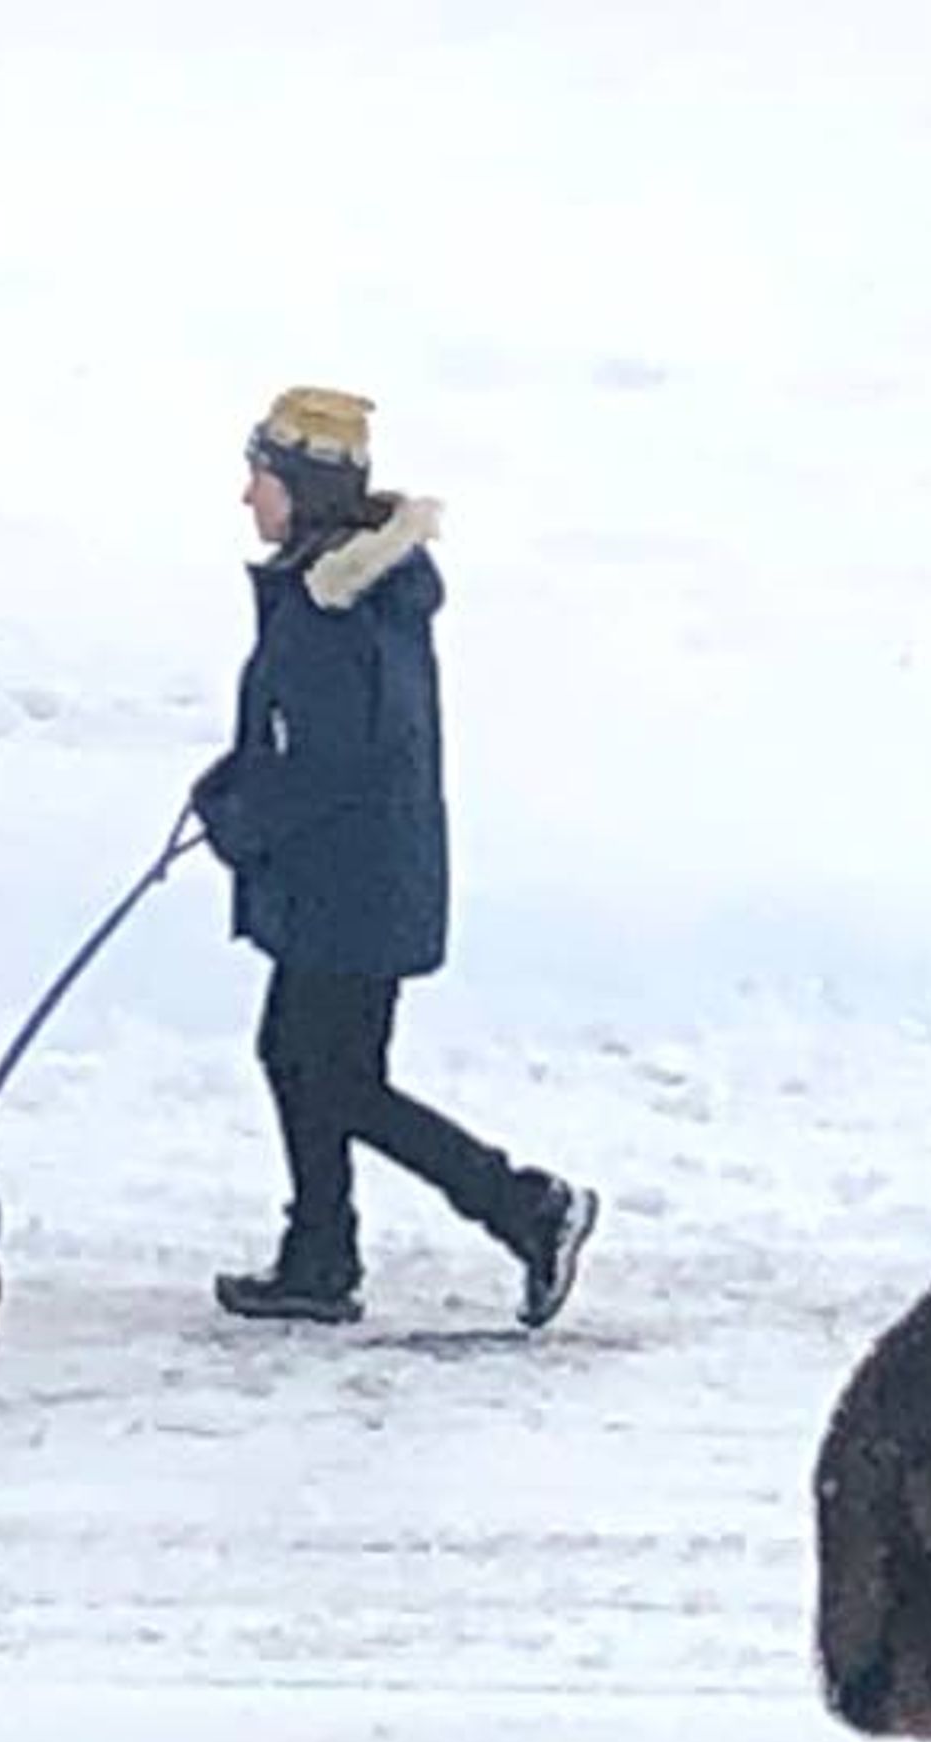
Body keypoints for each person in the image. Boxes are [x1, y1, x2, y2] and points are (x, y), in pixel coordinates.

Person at [189, 385, 596, 1328]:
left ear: (308, 487)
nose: (248, 497)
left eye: (262, 477)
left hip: (351, 887)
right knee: (302, 1059)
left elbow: (334, 761)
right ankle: (321, 1256)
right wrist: (231, 786)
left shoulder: (339, 604)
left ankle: (526, 1208)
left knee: (330, 1074)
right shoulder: (341, 588)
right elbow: (304, 741)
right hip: (349, 879)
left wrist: (240, 818)